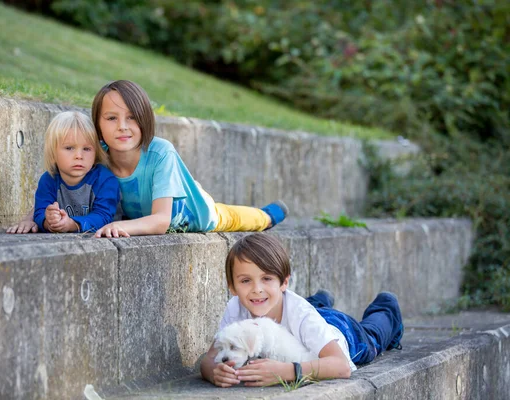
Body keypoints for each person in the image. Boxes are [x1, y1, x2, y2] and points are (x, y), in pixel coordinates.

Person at [200, 233, 404, 387]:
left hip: (342, 333)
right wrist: (214, 372)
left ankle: (386, 307)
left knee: (372, 338)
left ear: (284, 282)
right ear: (232, 287)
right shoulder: (236, 307)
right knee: (309, 313)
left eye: (267, 278)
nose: (256, 289)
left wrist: (287, 371)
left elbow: (341, 366)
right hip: (306, 323)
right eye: (245, 280)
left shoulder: (301, 314)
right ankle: (320, 300)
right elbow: (209, 359)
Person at [90, 80, 288, 237]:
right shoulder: (98, 158)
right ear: (98, 125)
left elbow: (160, 221)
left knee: (232, 217)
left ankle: (267, 216)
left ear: (145, 119)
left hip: (197, 212)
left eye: (132, 117)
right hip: (146, 216)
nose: (122, 126)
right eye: (111, 118)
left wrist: (118, 225)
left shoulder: (160, 152)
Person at [8, 111, 120, 233]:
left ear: (96, 152)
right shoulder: (49, 179)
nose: (79, 156)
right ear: (53, 153)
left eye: (87, 149)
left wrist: (72, 224)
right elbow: (40, 211)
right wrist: (49, 221)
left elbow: (103, 216)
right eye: (69, 148)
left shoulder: (104, 180)